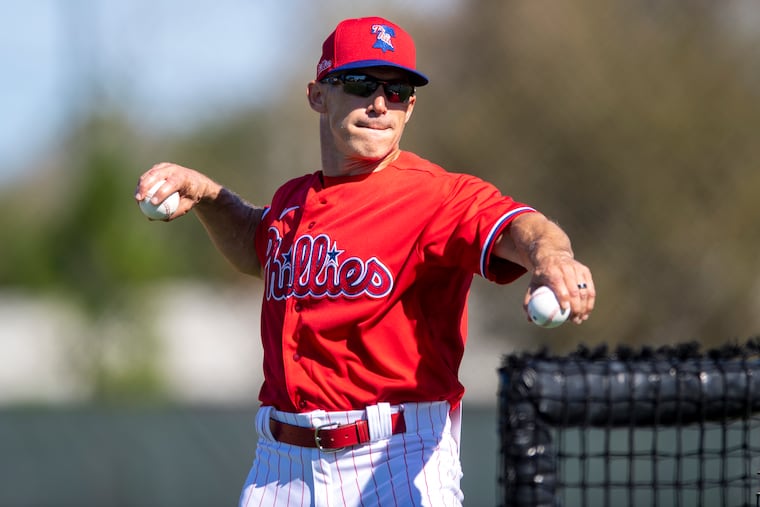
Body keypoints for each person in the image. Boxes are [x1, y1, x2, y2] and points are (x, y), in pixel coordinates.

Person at [135, 16, 595, 507]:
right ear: (318, 95)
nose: (379, 103)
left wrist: (553, 258)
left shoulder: (435, 196)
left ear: (410, 108)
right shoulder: (294, 199)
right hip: (279, 466)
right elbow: (257, 246)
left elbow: (517, 226)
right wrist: (209, 195)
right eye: (359, 84)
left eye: (396, 92)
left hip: (392, 455)